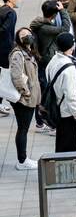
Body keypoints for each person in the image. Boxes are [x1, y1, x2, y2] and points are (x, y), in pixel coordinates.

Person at [8, 27, 40, 170]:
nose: (26, 36)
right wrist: (26, 92)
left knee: (23, 128)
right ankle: (22, 161)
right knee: (23, 129)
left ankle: (23, 159)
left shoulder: (28, 51)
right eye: (22, 35)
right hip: (23, 99)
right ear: (18, 39)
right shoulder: (18, 54)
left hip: (28, 96)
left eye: (28, 34)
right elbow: (16, 76)